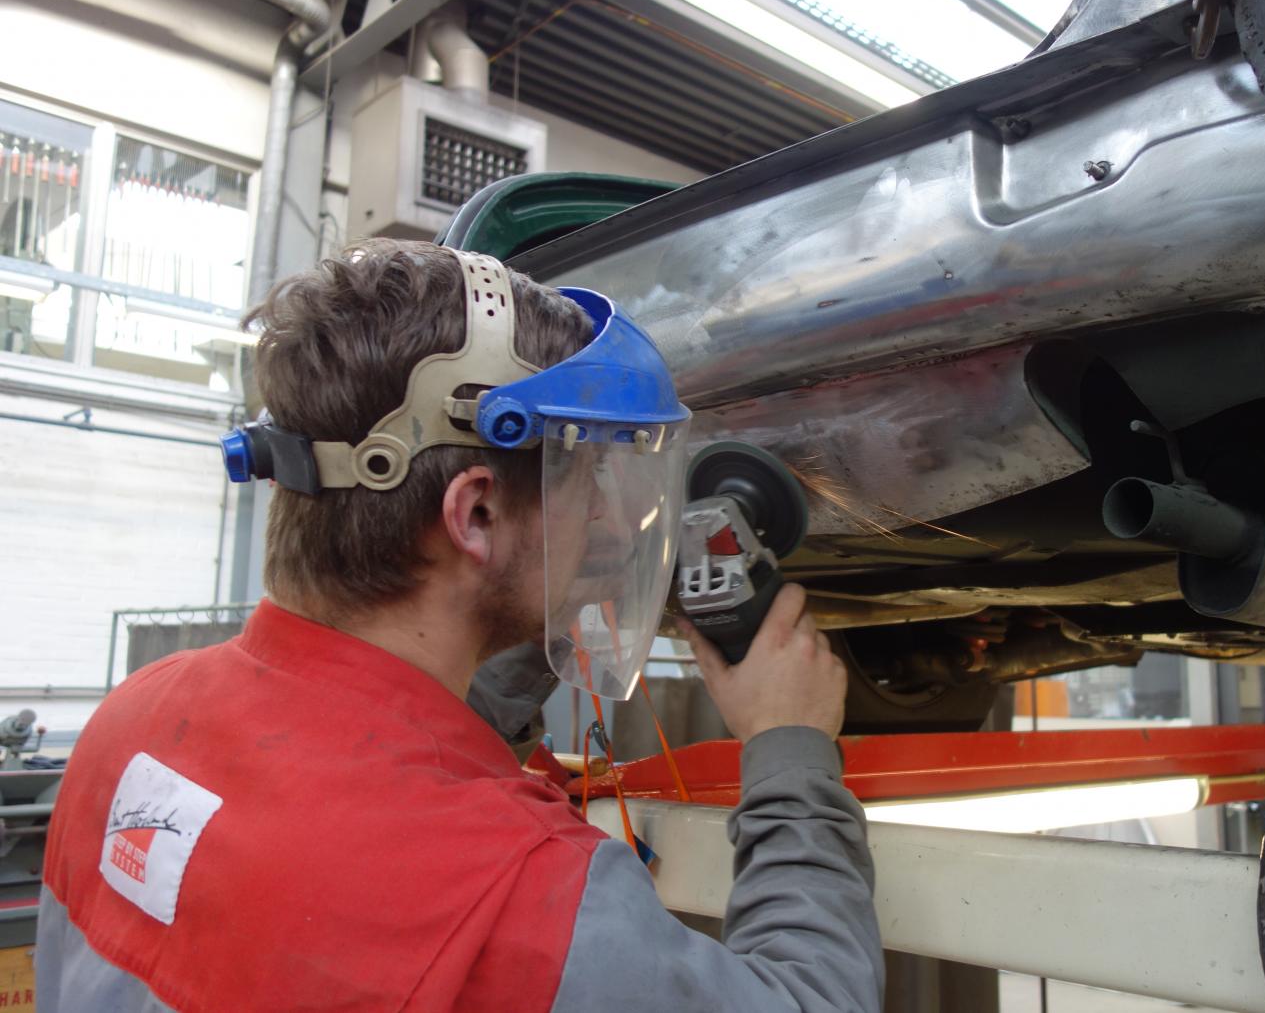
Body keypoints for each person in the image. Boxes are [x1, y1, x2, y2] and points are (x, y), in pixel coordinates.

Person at [34, 240, 884, 1012]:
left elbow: (359, 771)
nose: (611, 521)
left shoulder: (130, 725)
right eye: (581, 477)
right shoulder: (515, 895)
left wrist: (522, 623)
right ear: (475, 512)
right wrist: (790, 745)